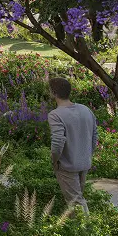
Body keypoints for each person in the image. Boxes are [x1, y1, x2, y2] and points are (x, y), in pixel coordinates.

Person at [47, 76, 98, 213]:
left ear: (53, 93)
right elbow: (95, 136)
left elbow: (57, 142)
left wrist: (54, 160)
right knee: (78, 199)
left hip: (67, 165)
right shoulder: (86, 110)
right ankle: (79, 228)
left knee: (76, 202)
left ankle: (85, 231)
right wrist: (87, 154)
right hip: (84, 162)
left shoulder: (55, 115)